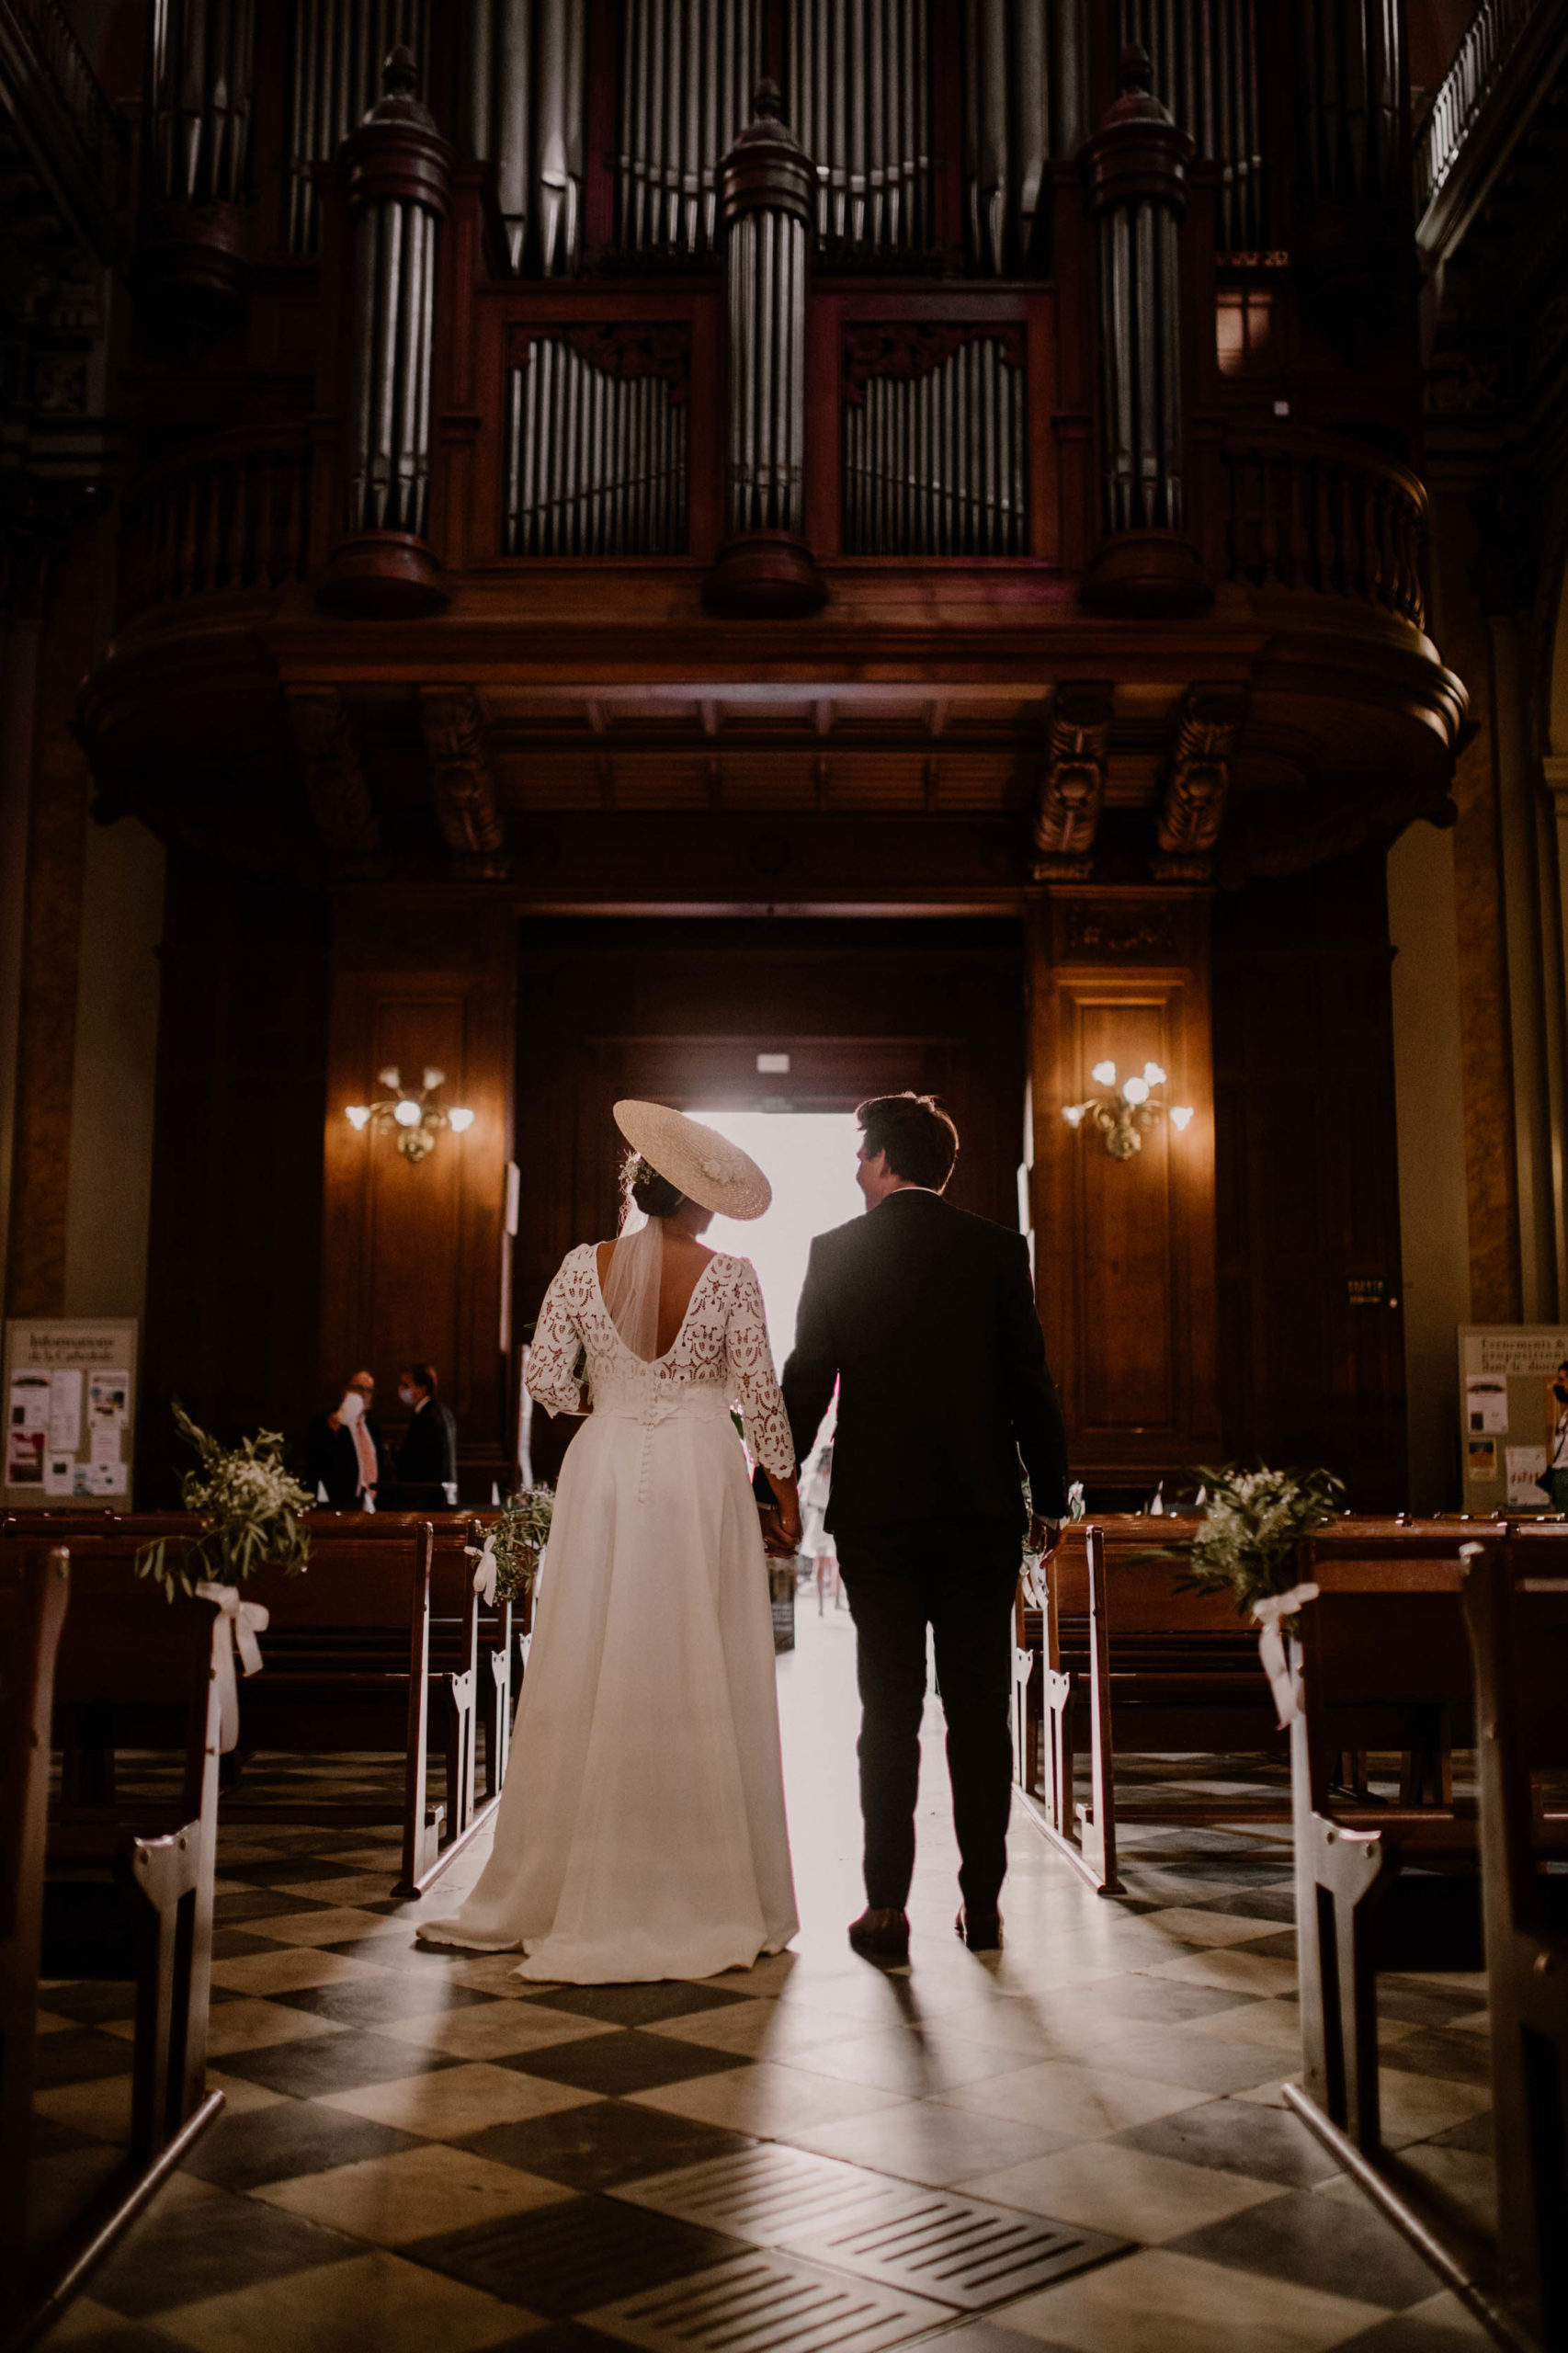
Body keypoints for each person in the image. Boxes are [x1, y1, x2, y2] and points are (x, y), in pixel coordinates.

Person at [421, 1100, 802, 1983]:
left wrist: (624, 1407)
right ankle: (702, 1882)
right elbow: (763, 1397)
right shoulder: (732, 1275)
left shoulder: (578, 1267)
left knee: (590, 1656)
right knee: (695, 1654)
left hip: (601, 1472)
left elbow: (548, 1380)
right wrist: (783, 1497)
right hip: (702, 1468)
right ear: (699, 1201)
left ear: (639, 1189)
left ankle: (557, 1880)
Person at [767, 1091, 1069, 1963]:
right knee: (979, 1714)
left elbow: (806, 1384)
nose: (856, 1169)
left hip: (880, 1519)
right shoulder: (996, 1252)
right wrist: (1048, 1495)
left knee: (887, 1712)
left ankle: (886, 1908)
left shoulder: (837, 1254)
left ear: (887, 1159)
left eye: (861, 1154)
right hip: (979, 1516)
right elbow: (1029, 1386)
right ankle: (982, 1906)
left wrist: (769, 1487)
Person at [303, 1368, 383, 1508]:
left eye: (369, 1390)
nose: (364, 1394)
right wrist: (334, 1433)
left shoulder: (372, 1426)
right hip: (338, 1503)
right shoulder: (326, 1422)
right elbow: (317, 1464)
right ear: (345, 1391)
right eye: (358, 1388)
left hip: (370, 1502)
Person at [394, 1362, 458, 1504]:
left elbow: (419, 1460)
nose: (401, 1389)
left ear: (422, 1389)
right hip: (441, 1493)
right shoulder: (442, 1411)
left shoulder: (426, 1417)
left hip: (426, 1496)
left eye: (406, 1385)